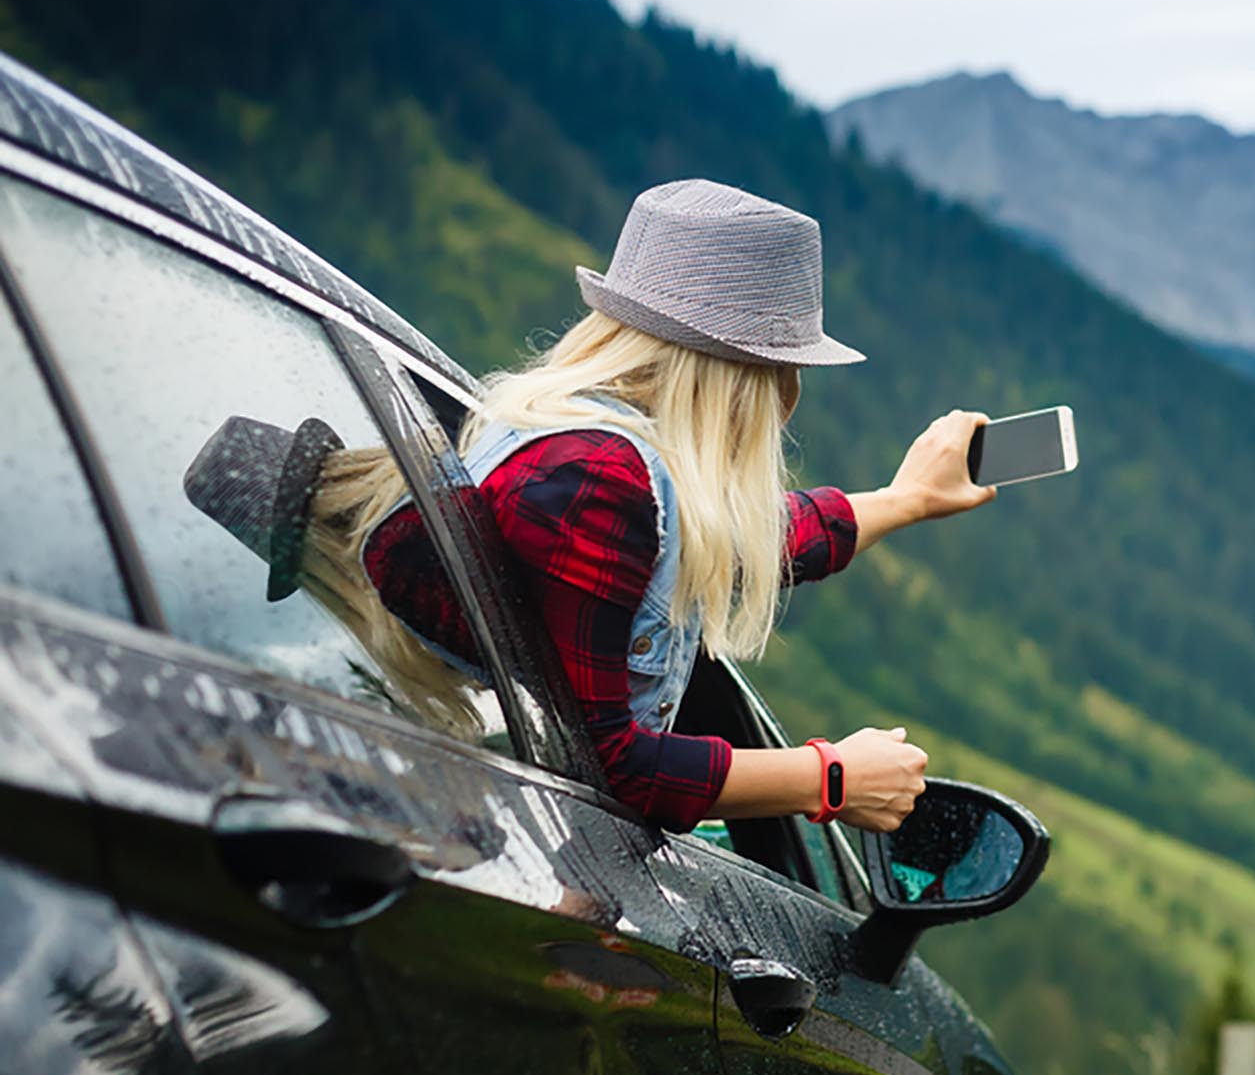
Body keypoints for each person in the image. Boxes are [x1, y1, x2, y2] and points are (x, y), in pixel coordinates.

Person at [198, 179, 993, 835]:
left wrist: (904, 499)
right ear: (751, 377)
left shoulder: (573, 439)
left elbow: (734, 535)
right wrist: (828, 778)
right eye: (787, 371)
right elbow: (615, 763)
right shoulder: (592, 477)